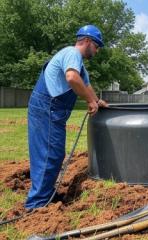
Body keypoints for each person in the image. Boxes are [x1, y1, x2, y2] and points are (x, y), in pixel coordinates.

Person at [26, 25, 108, 210]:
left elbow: (85, 85)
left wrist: (97, 100)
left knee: (54, 154)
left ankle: (45, 194)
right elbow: (72, 78)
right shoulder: (72, 53)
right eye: (96, 46)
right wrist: (90, 101)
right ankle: (37, 205)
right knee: (49, 154)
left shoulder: (79, 65)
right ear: (86, 41)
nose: (97, 50)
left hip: (53, 112)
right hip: (46, 109)